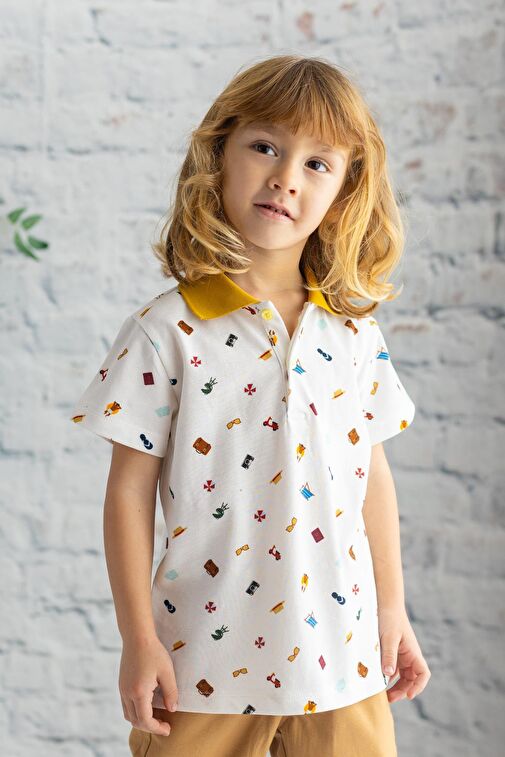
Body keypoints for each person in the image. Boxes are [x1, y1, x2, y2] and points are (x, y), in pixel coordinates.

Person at [69, 54, 431, 757]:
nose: (285, 177)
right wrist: (138, 639)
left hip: (345, 663)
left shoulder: (355, 335)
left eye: (317, 163)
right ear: (219, 156)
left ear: (343, 193)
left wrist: (392, 611)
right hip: (201, 667)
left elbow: (372, 479)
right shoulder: (166, 331)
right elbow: (128, 493)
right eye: (265, 146)